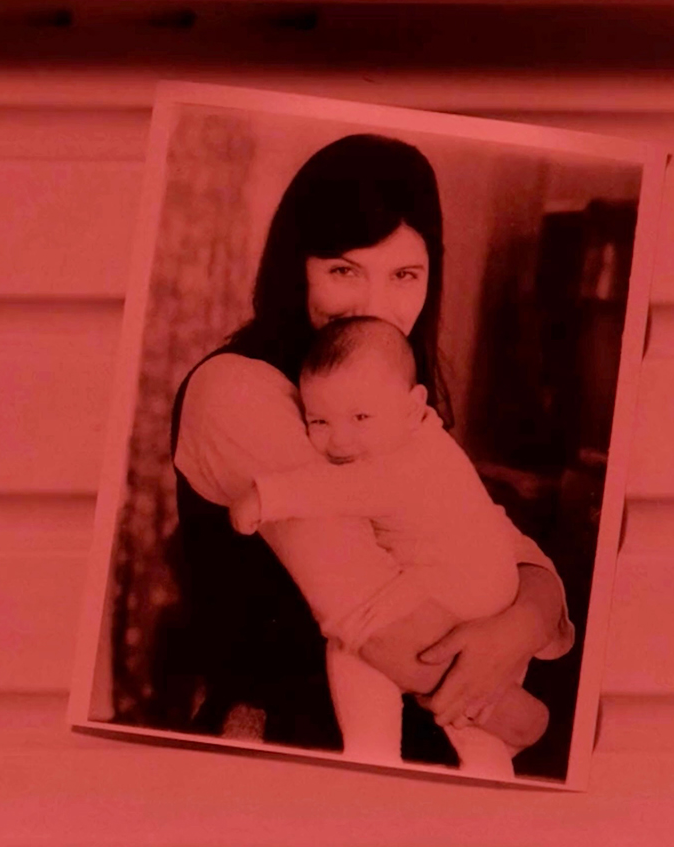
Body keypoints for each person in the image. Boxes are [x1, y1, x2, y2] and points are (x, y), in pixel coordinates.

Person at [167, 133, 575, 769]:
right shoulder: (235, 389)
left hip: (428, 737)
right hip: (288, 747)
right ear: (295, 263)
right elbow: (372, 613)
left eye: (404, 275)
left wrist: (520, 624)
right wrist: (529, 719)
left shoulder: (393, 396)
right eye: (342, 270)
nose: (376, 307)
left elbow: (493, 538)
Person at [229, 316, 550, 776]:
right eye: (318, 420)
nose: (339, 440)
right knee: (473, 722)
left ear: (413, 404)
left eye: (360, 417)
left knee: (353, 647)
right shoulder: (423, 437)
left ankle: (371, 754)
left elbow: (336, 488)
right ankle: (492, 776)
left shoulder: (404, 466)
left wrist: (264, 497)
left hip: (459, 596)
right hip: (491, 596)